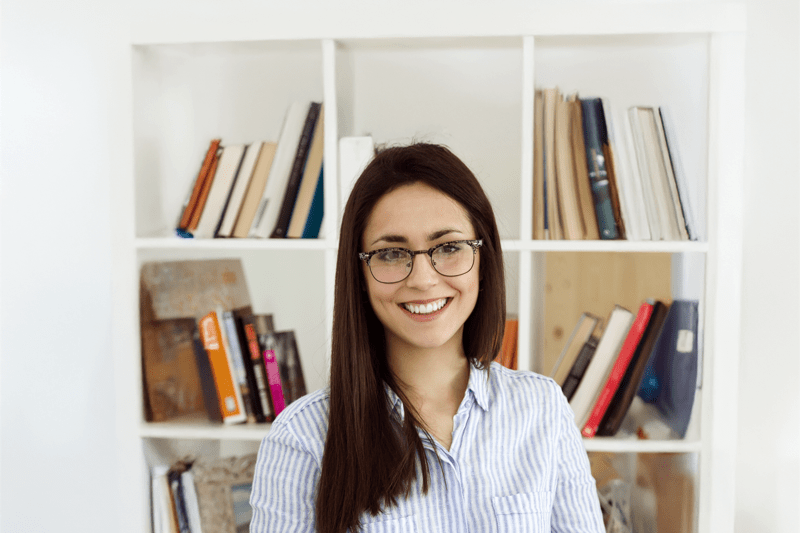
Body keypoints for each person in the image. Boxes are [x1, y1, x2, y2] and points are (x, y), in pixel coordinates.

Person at [249, 143, 604, 532]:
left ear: (483, 260)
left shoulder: (542, 408)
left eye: (449, 247)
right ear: (360, 274)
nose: (422, 279)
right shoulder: (302, 437)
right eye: (391, 253)